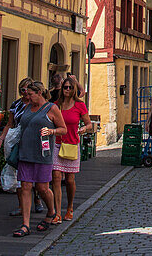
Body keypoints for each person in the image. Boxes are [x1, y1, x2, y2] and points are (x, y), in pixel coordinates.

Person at [12, 81, 67, 237]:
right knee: (26, 187)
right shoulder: (27, 107)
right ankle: (25, 224)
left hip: (43, 154)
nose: (27, 96)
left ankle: (51, 211)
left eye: (30, 94)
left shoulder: (52, 108)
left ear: (39, 93)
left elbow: (63, 129)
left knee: (42, 188)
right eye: (26, 94)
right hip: (25, 153)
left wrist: (51, 131)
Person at [0, 78, 44, 217]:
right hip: (17, 142)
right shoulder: (16, 105)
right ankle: (22, 205)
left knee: (34, 174)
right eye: (22, 90)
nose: (25, 93)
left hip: (33, 142)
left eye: (27, 89)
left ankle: (37, 199)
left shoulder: (37, 105)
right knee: (19, 174)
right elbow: (10, 124)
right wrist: (1, 139)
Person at [50, 77, 93, 222]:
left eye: (69, 87)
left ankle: (69, 207)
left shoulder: (79, 105)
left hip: (72, 144)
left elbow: (89, 125)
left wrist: (83, 129)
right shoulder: (56, 105)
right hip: (58, 143)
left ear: (74, 89)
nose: (67, 90)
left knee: (69, 180)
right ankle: (57, 212)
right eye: (65, 87)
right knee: (56, 177)